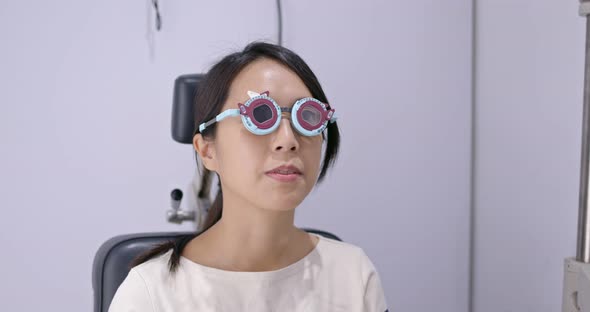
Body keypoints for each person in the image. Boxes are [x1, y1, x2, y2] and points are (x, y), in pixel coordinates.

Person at [109, 42, 389, 312]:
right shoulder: (151, 292)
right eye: (260, 115)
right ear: (207, 151)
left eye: (307, 116)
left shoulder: (353, 274)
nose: (288, 140)